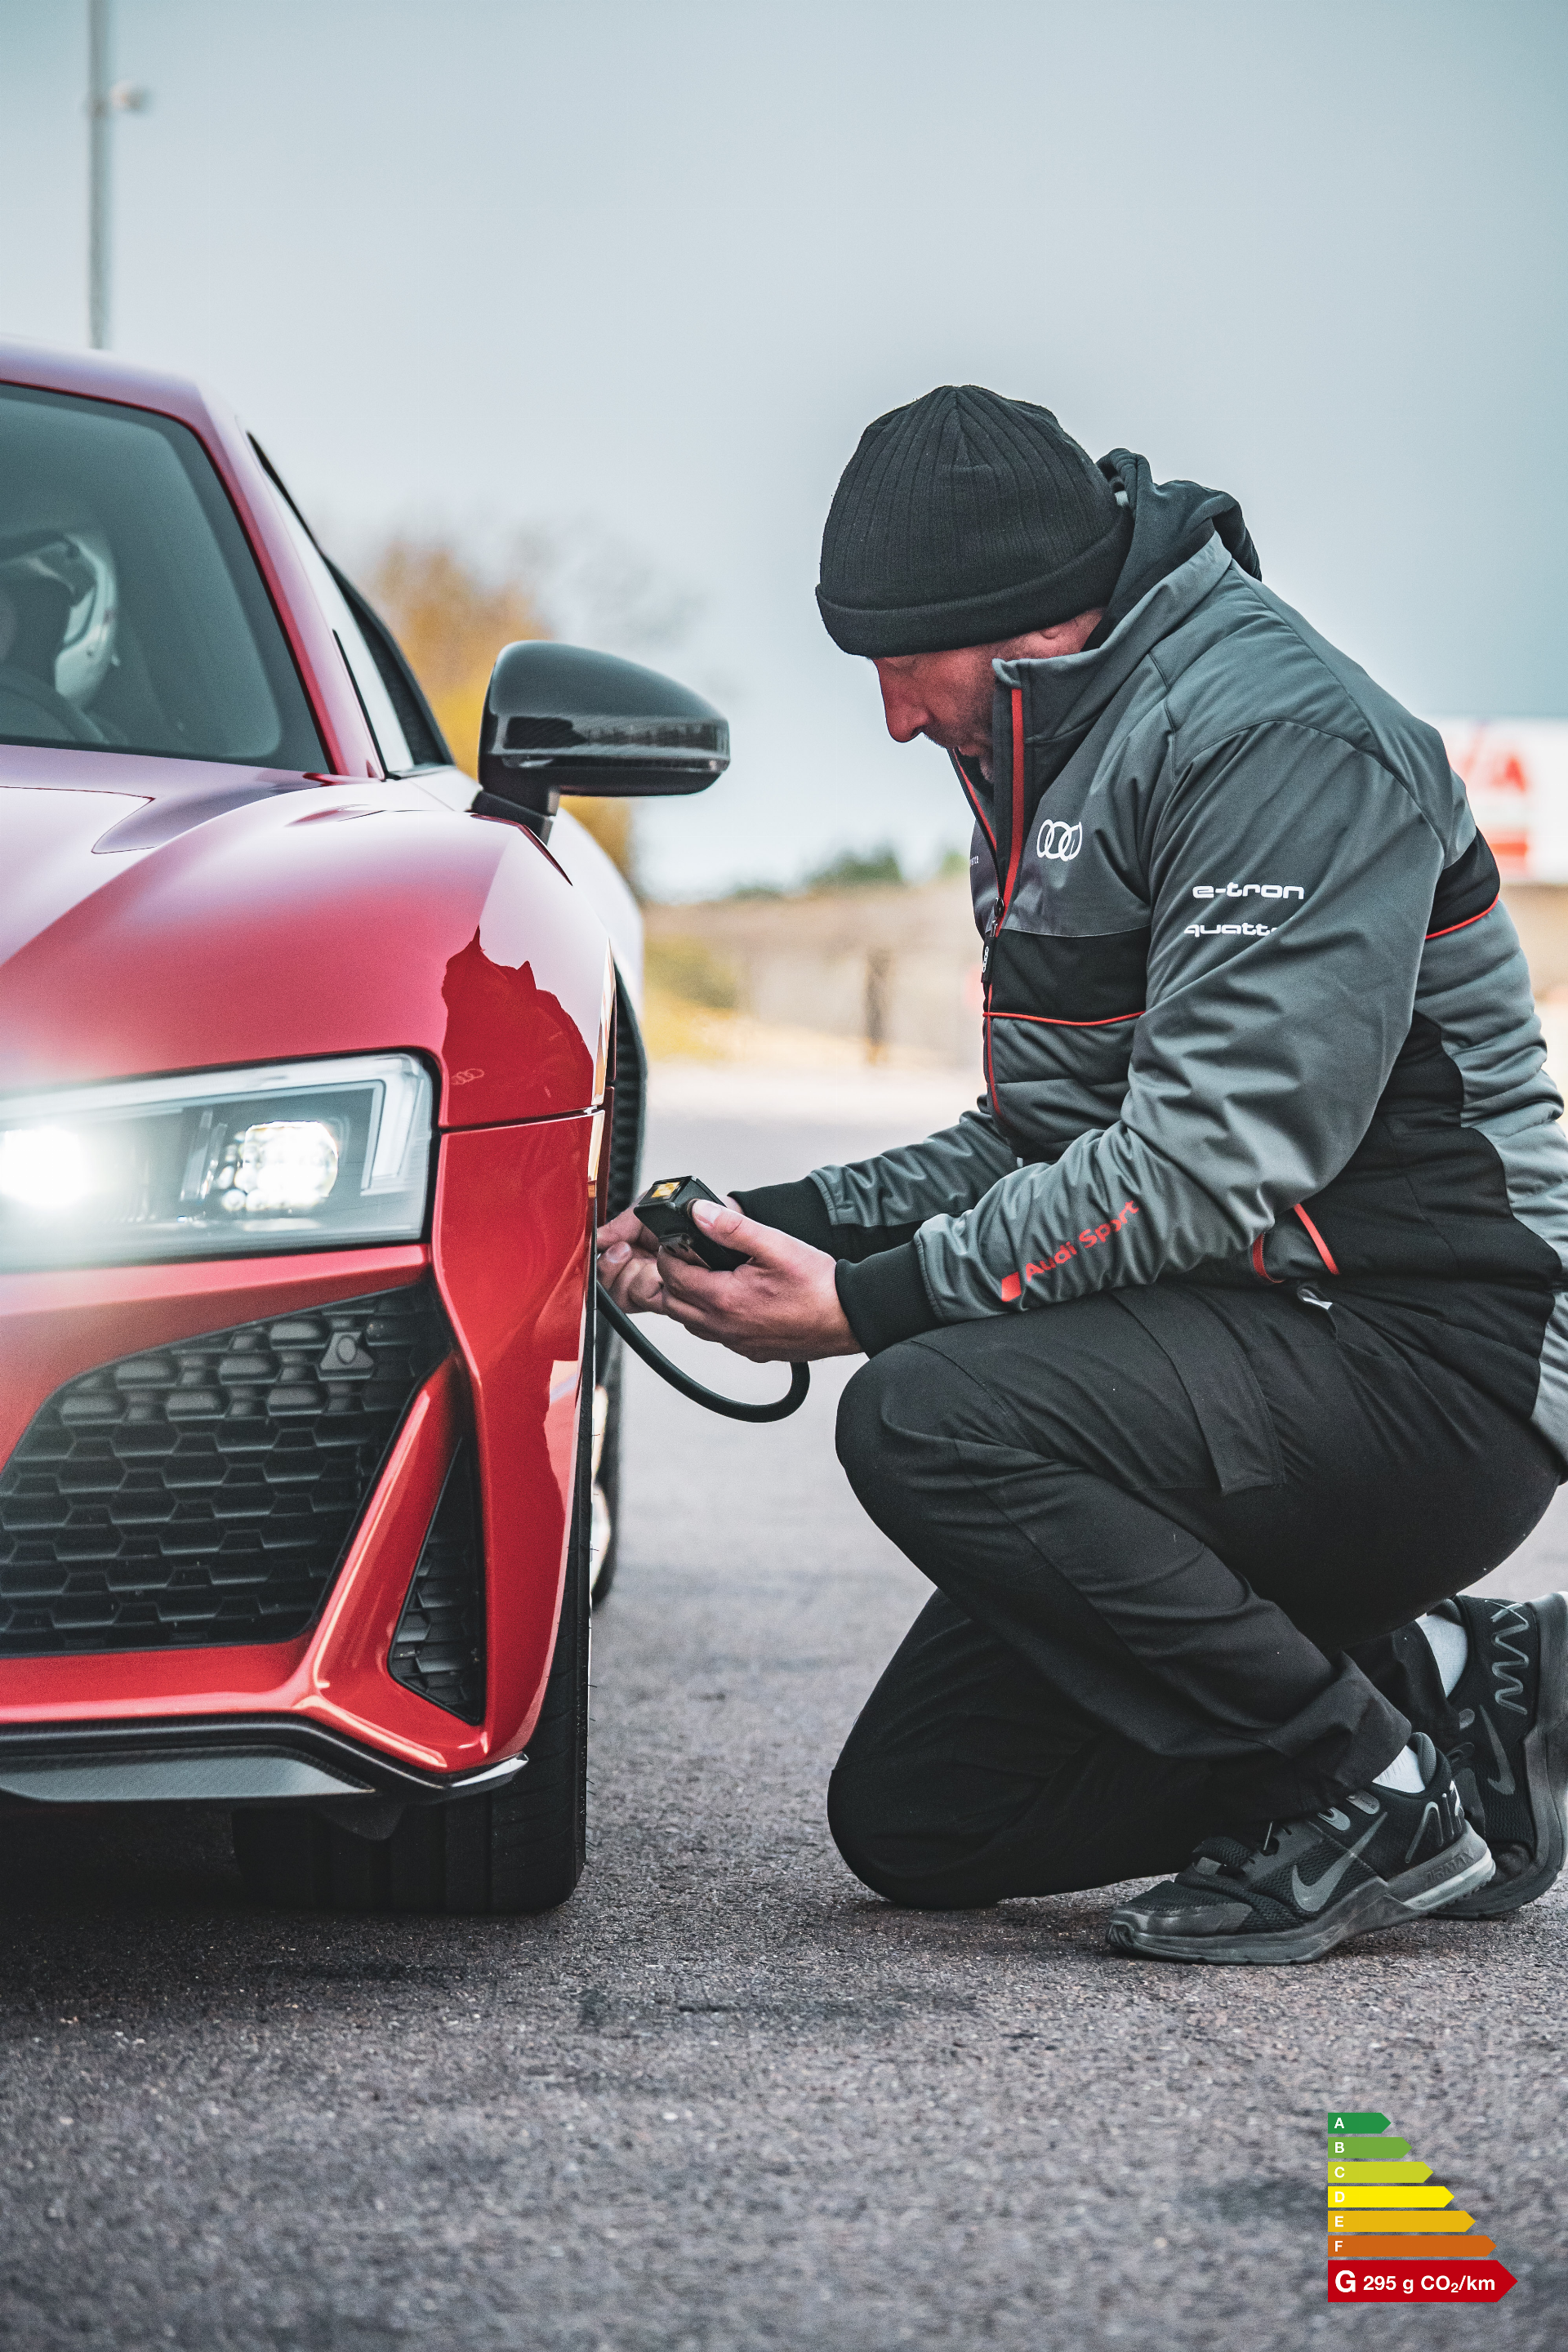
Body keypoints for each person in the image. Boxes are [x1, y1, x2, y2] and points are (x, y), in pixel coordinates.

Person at [597, 384, 1568, 1966]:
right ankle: (1463, 1687)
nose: (892, 718)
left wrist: (865, 1304)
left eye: (901, 665)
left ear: (1023, 625)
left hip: (1432, 1355)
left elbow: (1200, 1164)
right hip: (1239, 1340)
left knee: (923, 1410)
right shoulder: (1050, 751)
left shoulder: (1279, 740)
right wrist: (750, 1225)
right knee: (923, 1819)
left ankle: (1368, 1791)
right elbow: (1032, 1139)